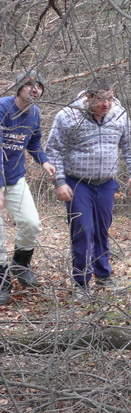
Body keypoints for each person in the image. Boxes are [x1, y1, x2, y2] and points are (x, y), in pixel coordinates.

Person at [46, 79, 131, 300]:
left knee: (102, 229)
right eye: (100, 99)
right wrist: (59, 182)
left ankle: (103, 274)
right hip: (77, 182)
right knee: (83, 229)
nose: (106, 104)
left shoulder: (119, 115)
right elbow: (53, 149)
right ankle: (81, 282)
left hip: (106, 183)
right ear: (88, 97)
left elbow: (130, 144)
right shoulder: (68, 116)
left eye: (109, 98)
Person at [0, 70, 57, 305]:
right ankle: (2, 281)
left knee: (32, 223)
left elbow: (33, 142)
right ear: (19, 87)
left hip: (15, 177)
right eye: (30, 84)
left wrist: (44, 161)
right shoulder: (3, 108)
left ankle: (20, 264)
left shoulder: (34, 113)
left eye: (40, 86)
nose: (35, 89)